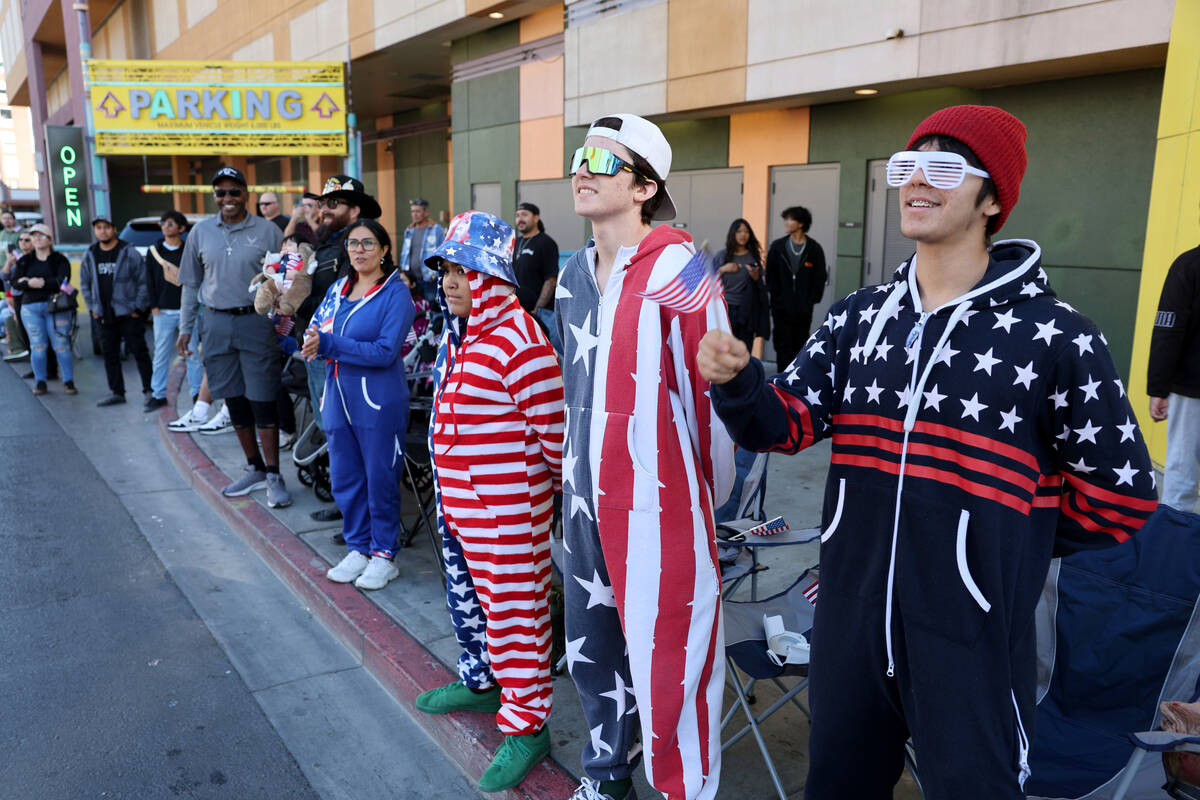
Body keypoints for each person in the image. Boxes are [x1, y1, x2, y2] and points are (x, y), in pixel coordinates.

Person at [697, 104, 1159, 799]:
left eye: (944, 168)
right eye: (906, 166)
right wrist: (739, 383)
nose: (916, 180)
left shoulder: (1059, 337)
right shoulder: (861, 316)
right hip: (848, 625)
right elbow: (785, 424)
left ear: (994, 197)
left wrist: (1002, 548)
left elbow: (1123, 497)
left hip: (970, 640)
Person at [556, 114, 734, 800]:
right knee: (590, 643)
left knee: (671, 661)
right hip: (583, 498)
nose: (583, 168)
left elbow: (711, 401)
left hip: (659, 500)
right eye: (580, 155)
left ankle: (684, 790)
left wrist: (701, 500)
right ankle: (606, 774)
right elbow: (574, 384)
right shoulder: (574, 276)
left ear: (644, 186)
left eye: (602, 159)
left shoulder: (680, 270)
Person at [415, 210, 565, 794]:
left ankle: (527, 727)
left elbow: (555, 438)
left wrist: (550, 512)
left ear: (494, 276)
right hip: (461, 510)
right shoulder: (466, 331)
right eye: (446, 269)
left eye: (465, 269)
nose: (451, 280)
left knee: (515, 619)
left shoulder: (521, 340)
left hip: (506, 518)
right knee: (471, 609)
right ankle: (482, 682)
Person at [300, 218, 414, 590]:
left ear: (384, 250)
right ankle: (358, 547)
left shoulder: (396, 294)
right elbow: (317, 328)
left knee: (380, 476)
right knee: (346, 475)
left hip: (377, 401)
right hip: (337, 395)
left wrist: (329, 345)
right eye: (353, 243)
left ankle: (384, 554)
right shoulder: (337, 289)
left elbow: (385, 352)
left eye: (368, 243)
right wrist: (305, 339)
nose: (359, 250)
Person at [178, 166, 290, 507]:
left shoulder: (269, 231)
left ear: (246, 194)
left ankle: (273, 473)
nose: (228, 198)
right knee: (234, 398)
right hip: (214, 323)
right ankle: (254, 468)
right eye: (221, 193)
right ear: (215, 197)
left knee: (262, 398)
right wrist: (185, 328)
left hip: (255, 323)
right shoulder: (200, 232)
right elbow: (191, 285)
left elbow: (285, 281)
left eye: (234, 191)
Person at [296, 175, 381, 440]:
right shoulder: (328, 244)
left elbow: (346, 303)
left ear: (354, 210)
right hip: (317, 351)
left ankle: (349, 481)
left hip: (338, 355)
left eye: (333, 203)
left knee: (341, 431)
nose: (324, 210)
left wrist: (298, 303)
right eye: (322, 204)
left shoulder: (357, 249)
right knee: (329, 427)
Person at [1147, 235, 1200, 511]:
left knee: (1181, 477)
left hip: (1191, 391)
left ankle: (1174, 549)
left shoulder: (1189, 265)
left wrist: (1158, 388)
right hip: (1190, 388)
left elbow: (1169, 329)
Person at [80, 217, 153, 406]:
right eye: (98, 228)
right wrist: (92, 308)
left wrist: (138, 308)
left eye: (106, 227)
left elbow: (143, 282)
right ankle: (117, 392)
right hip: (103, 314)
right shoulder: (91, 253)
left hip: (128, 314)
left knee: (140, 353)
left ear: (114, 229)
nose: (102, 231)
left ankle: (150, 391)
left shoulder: (128, 252)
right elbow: (85, 284)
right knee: (110, 355)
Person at [145, 210, 204, 412]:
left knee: (193, 353)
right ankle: (158, 394)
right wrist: (154, 307)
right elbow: (149, 280)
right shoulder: (153, 251)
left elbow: (197, 280)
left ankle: (197, 393)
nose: (165, 227)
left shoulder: (190, 250)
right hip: (162, 312)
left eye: (170, 223)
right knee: (161, 354)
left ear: (181, 228)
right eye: (163, 223)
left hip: (188, 312)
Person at [12, 223, 75, 396]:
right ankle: (40, 381)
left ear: (49, 239)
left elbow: (62, 280)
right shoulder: (25, 260)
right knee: (38, 346)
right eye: (34, 236)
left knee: (61, 345)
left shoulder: (59, 259)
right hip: (31, 307)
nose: (37, 239)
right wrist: (28, 282)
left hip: (56, 306)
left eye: (41, 235)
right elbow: (15, 281)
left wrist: (38, 282)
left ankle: (69, 381)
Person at [765, 205, 826, 372]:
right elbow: (770, 275)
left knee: (800, 344)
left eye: (790, 219)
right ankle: (781, 380)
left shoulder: (814, 248)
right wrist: (777, 297)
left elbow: (820, 277)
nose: (786, 222)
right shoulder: (778, 247)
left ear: (800, 223)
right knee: (782, 345)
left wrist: (810, 300)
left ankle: (796, 380)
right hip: (781, 308)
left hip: (803, 310)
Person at [713, 218, 770, 358]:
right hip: (725, 309)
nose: (743, 235)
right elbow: (706, 280)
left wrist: (756, 277)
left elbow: (761, 287)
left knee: (743, 351)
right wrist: (723, 269)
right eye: (739, 231)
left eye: (746, 231)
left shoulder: (753, 257)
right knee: (725, 351)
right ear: (733, 233)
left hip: (747, 310)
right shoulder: (722, 256)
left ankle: (743, 379)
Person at [513, 201, 561, 352]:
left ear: (536, 218)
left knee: (545, 353)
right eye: (517, 215)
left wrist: (537, 309)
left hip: (540, 313)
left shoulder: (546, 243)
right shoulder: (516, 242)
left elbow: (551, 279)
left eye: (525, 215)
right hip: (518, 310)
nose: (520, 219)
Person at [399, 197, 445, 301]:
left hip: (429, 280)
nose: (414, 214)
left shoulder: (436, 229)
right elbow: (404, 253)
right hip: (411, 281)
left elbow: (443, 253)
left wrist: (435, 274)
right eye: (412, 211)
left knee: (431, 311)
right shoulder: (409, 230)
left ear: (426, 212)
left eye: (417, 211)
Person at [3, 229, 33, 360]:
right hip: (14, 298)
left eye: (27, 240)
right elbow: (4, 275)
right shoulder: (16, 256)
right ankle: (19, 349)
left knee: (6, 317)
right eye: (20, 240)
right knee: (7, 316)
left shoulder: (34, 258)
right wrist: (9, 262)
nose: (23, 242)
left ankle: (21, 349)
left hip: (28, 300)